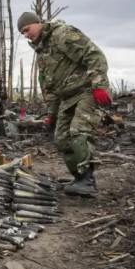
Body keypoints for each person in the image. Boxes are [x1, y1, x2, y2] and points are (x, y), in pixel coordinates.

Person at [17, 11, 111, 197]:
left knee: (79, 131)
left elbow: (95, 55)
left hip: (86, 91)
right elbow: (51, 88)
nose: (26, 35)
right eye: (23, 33)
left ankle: (87, 181)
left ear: (38, 23)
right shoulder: (42, 51)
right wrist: (51, 115)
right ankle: (79, 178)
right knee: (61, 138)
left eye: (27, 30)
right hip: (66, 98)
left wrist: (99, 86)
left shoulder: (62, 34)